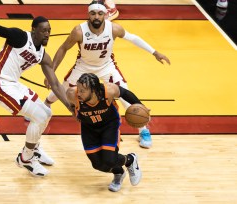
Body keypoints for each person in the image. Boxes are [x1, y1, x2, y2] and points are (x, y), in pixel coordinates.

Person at [0, 1, 73, 177]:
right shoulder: (20, 37)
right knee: (39, 116)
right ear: (34, 30)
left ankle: (34, 150)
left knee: (46, 113)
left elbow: (55, 84)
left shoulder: (43, 55)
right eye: (43, 30)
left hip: (13, 85)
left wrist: (70, 107)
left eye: (49, 30)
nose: (47, 33)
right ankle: (25, 158)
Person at [45, 0, 171, 149]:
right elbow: (63, 48)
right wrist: (51, 72)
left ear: (105, 14)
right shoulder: (79, 31)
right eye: (93, 13)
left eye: (100, 13)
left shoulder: (114, 29)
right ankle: (46, 104)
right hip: (83, 66)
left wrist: (155, 52)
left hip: (106, 67)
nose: (96, 17)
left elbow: (133, 38)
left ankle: (143, 129)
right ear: (88, 15)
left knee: (125, 94)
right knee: (64, 89)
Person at [66, 73, 143, 192]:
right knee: (97, 164)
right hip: (89, 128)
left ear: (94, 90)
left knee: (109, 160)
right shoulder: (72, 94)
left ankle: (130, 159)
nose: (79, 93)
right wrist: (73, 111)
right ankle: (119, 173)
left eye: (83, 91)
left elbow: (125, 93)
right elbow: (72, 106)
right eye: (79, 89)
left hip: (109, 125)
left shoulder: (109, 91)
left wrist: (141, 107)